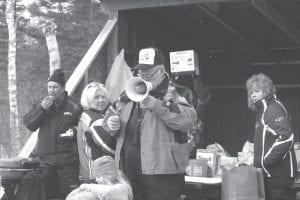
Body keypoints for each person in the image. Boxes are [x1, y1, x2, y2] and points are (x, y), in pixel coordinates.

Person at [103, 47, 197, 200]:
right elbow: (110, 113)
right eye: (141, 73)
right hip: (129, 168)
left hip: (162, 171)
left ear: (161, 71)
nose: (143, 77)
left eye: (148, 74)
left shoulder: (177, 92)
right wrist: (110, 123)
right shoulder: (128, 92)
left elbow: (189, 120)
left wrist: (157, 105)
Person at [23, 69, 83, 200]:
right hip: (46, 161)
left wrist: (74, 131)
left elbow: (83, 127)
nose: (51, 90)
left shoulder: (74, 106)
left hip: (67, 162)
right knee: (46, 196)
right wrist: (42, 109)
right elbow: (29, 124)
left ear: (63, 88)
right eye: (49, 87)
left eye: (55, 87)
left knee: (70, 196)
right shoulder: (41, 104)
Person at [246, 73, 297, 200]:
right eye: (251, 92)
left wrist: (265, 161)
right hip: (271, 175)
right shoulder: (263, 111)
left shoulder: (272, 109)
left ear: (266, 90)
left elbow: (286, 137)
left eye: (257, 91)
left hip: (277, 176)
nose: (253, 95)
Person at [77, 82, 116, 181]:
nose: (101, 100)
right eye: (96, 97)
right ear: (88, 99)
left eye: (103, 97)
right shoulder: (95, 119)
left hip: (91, 171)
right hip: (98, 174)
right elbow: (110, 147)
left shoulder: (86, 114)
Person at [66, 155, 133, 200]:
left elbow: (107, 191)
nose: (96, 179)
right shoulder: (104, 187)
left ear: (108, 175)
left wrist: (86, 186)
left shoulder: (121, 188)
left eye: (98, 176)